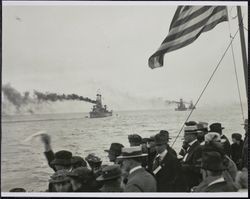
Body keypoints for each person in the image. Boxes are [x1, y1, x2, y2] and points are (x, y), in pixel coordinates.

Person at [180, 125, 202, 191]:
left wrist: (181, 166)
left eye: (186, 135)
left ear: (192, 136)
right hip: (187, 180)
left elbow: (197, 167)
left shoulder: (198, 148)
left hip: (192, 182)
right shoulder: (190, 147)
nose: (184, 137)